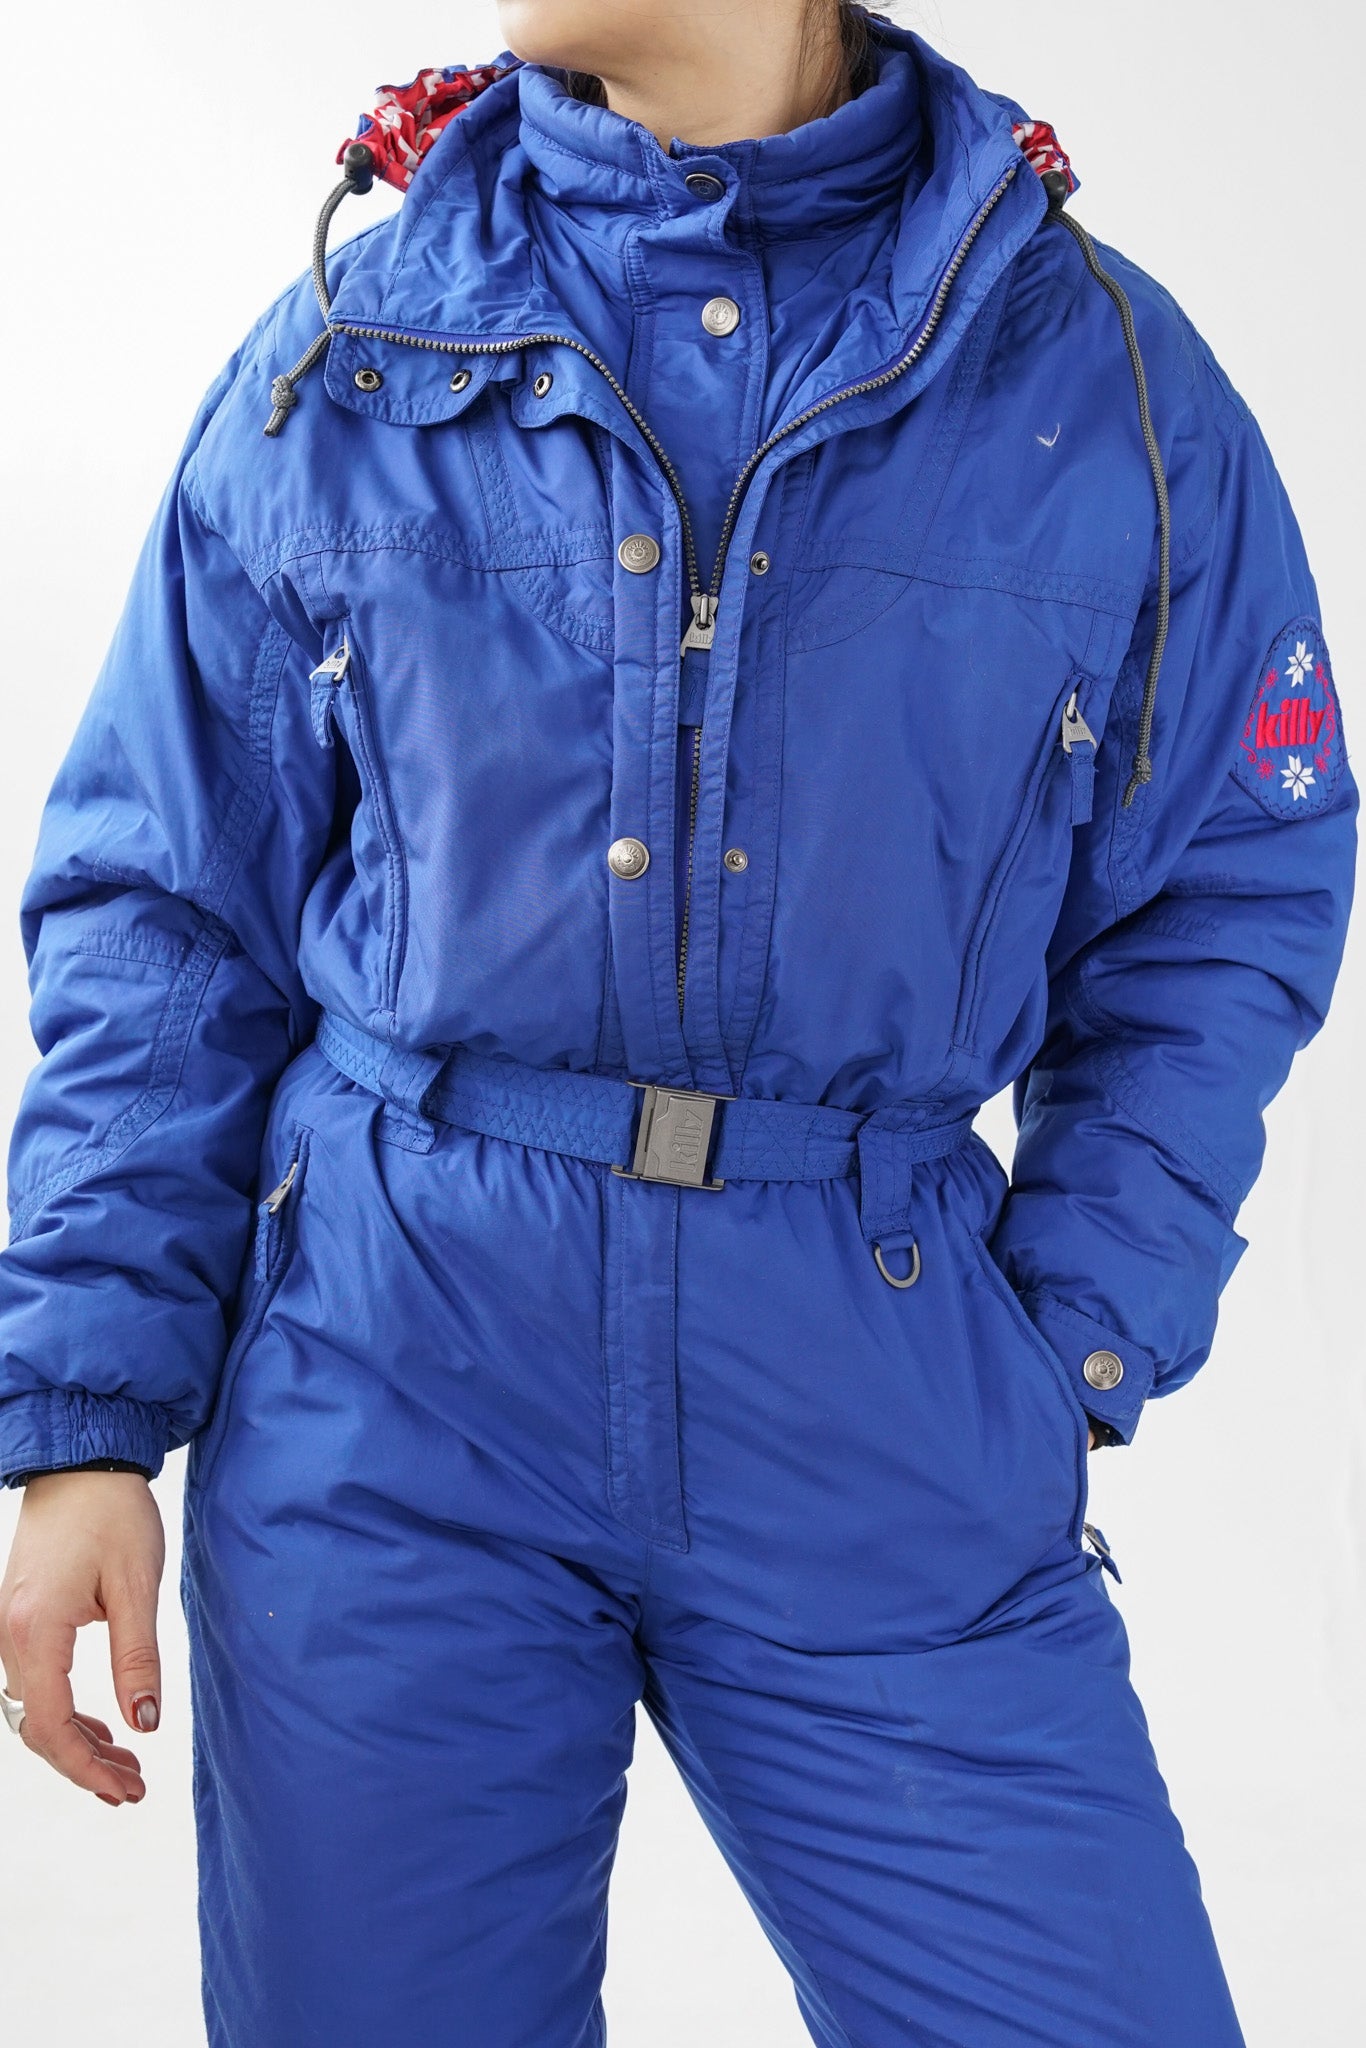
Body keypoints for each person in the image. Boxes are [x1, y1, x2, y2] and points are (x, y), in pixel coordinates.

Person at [0, 1, 1355, 2041]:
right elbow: (168, 911)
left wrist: (1068, 1336)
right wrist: (86, 1418)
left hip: (877, 1398)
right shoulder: (356, 351)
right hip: (395, 1386)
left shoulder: (1098, 379)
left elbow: (1229, 881)